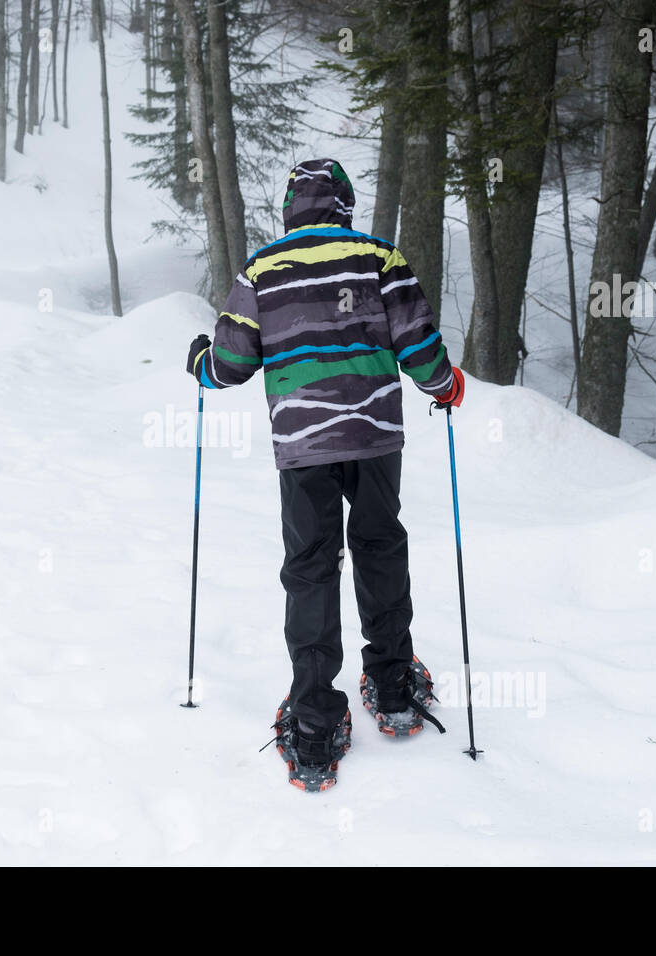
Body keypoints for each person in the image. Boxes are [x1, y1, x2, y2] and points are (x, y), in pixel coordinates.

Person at [185, 158, 465, 792]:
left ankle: (314, 723)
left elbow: (231, 363)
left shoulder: (263, 268)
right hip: (372, 437)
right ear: (343, 203)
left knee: (311, 564)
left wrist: (201, 364)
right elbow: (419, 346)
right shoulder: (379, 257)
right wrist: (445, 385)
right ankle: (393, 687)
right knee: (379, 545)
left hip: (303, 443)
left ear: (291, 206)